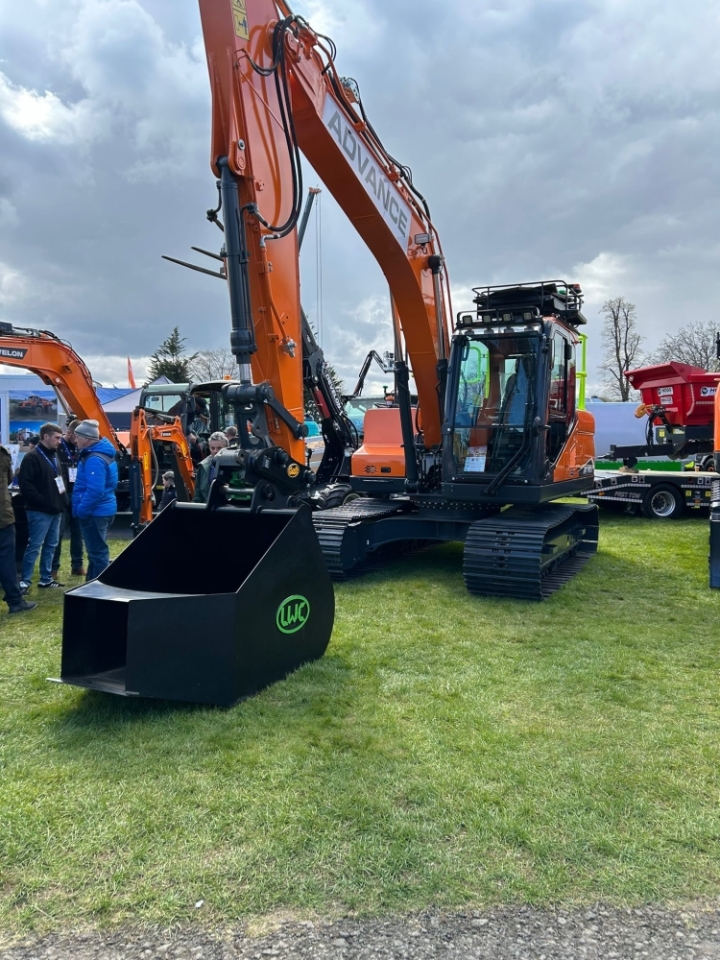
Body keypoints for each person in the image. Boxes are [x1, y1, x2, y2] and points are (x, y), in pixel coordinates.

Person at [18, 422, 68, 591]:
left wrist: (63, 501)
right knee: (35, 545)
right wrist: (43, 501)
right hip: (39, 510)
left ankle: (45, 578)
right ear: (46, 437)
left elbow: (60, 480)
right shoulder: (32, 457)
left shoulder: (54, 455)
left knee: (51, 545)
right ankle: (25, 581)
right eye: (57, 438)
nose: (60, 441)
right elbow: (26, 485)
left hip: (55, 509)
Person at [72, 420, 118, 581]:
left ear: (86, 438)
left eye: (78, 437)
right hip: (103, 510)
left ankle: (98, 588)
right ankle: (90, 584)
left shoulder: (94, 459)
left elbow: (95, 490)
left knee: (97, 553)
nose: (75, 440)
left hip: (94, 513)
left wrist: (82, 510)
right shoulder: (104, 454)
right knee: (96, 551)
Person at [1, 443, 37, 614]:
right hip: (2, 516)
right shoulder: (3, 454)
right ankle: (15, 600)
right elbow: (8, 479)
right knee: (6, 559)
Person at [52, 419, 86, 579]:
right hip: (61, 494)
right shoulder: (58, 447)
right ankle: (53, 568)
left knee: (78, 532)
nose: (78, 440)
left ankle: (77, 565)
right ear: (70, 432)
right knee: (58, 533)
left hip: (77, 493)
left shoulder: (81, 447)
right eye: (76, 436)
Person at [192, 431, 228, 503]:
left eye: (219, 448)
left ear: (226, 448)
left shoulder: (235, 466)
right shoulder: (203, 466)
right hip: (208, 506)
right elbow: (198, 493)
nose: (215, 451)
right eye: (212, 448)